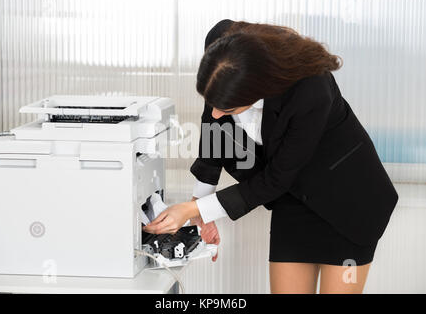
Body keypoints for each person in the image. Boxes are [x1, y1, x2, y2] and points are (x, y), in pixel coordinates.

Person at [143, 19, 398, 294]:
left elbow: (276, 177)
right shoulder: (223, 53)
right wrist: (200, 209)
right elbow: (214, 130)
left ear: (258, 88)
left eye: (227, 107)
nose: (215, 113)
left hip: (349, 204)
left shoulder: (312, 88)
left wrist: (195, 210)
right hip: (293, 202)